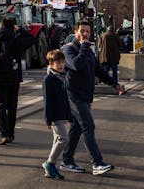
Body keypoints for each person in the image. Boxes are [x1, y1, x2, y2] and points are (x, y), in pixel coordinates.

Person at [61, 21, 125, 176]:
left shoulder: (87, 50)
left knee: (76, 129)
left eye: (88, 32)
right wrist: (83, 46)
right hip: (74, 96)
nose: (85, 34)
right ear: (76, 32)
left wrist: (114, 84)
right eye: (82, 31)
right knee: (88, 126)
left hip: (85, 95)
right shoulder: (68, 49)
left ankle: (67, 160)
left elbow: (98, 70)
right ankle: (97, 163)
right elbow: (76, 65)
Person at [0, 16, 36, 145]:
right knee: (12, 106)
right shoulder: (17, 40)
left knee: (0, 106)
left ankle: (3, 134)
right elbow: (32, 39)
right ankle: (10, 133)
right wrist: (21, 30)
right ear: (13, 27)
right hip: (13, 76)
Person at [41, 49, 70, 180]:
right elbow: (47, 101)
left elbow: (65, 98)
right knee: (64, 138)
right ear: (51, 63)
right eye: (58, 62)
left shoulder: (62, 76)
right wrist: (48, 119)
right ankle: (50, 163)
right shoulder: (49, 79)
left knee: (57, 140)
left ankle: (49, 168)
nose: (61, 65)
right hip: (54, 115)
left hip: (62, 113)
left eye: (63, 62)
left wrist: (69, 116)